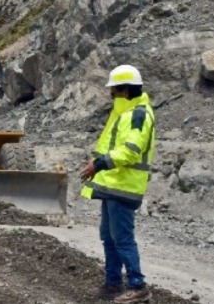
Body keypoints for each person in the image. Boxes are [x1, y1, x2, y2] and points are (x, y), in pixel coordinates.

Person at [80, 65, 156, 304]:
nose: (111, 94)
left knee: (122, 238)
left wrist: (99, 164)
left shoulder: (138, 115)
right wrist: (97, 164)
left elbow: (131, 151)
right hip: (113, 184)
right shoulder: (124, 112)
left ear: (125, 90)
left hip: (125, 186)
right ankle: (113, 283)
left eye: (113, 90)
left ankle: (138, 286)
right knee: (109, 236)